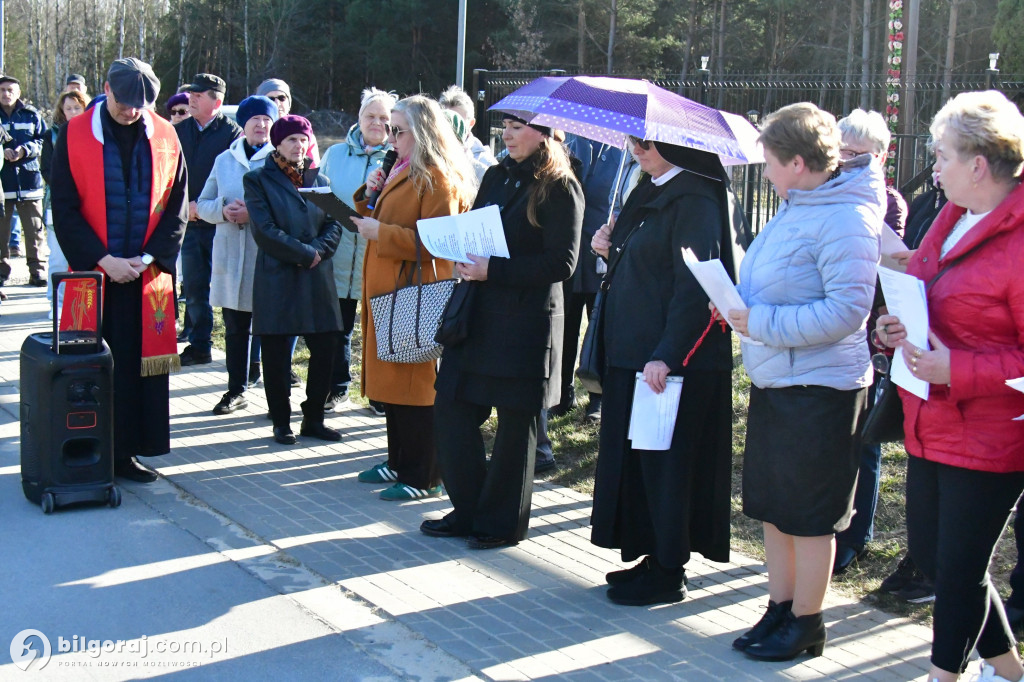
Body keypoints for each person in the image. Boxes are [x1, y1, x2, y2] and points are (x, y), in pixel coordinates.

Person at [875, 90, 1024, 682]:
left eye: (941, 156)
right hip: (930, 417)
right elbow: (923, 286)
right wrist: (895, 325)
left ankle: (945, 675)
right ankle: (1011, 672)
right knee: (942, 562)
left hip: (992, 431)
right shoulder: (952, 216)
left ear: (979, 165)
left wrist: (957, 370)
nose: (933, 168)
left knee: (959, 570)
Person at [726, 102, 884, 661]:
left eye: (768, 160)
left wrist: (759, 323)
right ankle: (780, 608)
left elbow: (846, 312)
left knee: (811, 515)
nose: (763, 170)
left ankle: (808, 623)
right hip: (779, 379)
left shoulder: (846, 217)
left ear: (796, 162)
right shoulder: (798, 205)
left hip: (821, 389)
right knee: (775, 507)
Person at [587, 139, 739, 606]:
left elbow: (695, 284)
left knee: (668, 468)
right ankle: (650, 555)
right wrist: (604, 249)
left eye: (648, 142)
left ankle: (670, 570)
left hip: (668, 360)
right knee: (640, 464)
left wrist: (667, 354)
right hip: (633, 352)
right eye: (633, 141)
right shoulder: (646, 189)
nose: (637, 149)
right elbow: (642, 267)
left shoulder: (695, 198)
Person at [422, 113, 582, 548]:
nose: (507, 134)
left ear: (545, 133)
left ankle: (500, 524)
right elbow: (477, 227)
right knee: (451, 407)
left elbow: (561, 264)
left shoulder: (561, 187)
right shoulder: (496, 175)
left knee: (515, 429)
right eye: (505, 127)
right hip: (478, 316)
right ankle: (469, 509)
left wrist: (495, 269)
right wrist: (460, 252)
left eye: (518, 127)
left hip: (524, 323)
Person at [50, 57, 188, 483]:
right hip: (94, 276)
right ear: (107, 88)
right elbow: (65, 209)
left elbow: (177, 206)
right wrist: (103, 260)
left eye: (142, 104)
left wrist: (146, 259)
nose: (133, 112)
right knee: (94, 368)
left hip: (147, 278)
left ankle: (130, 451)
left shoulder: (166, 136)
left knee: (137, 369)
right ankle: (89, 450)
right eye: (126, 102)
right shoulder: (73, 135)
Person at [351, 95, 475, 501]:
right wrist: (367, 192)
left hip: (417, 292)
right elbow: (375, 215)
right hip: (389, 286)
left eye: (398, 130)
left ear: (422, 132)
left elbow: (441, 242)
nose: (391, 137)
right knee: (392, 381)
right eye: (390, 129)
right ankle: (399, 460)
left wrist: (381, 234)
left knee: (415, 383)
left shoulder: (438, 176)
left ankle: (425, 475)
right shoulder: (399, 167)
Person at [832, 108, 908, 574]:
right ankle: (836, 524)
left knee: (866, 441)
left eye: (855, 154)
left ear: (879, 156)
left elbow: (889, 266)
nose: (844, 160)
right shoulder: (831, 193)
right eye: (840, 150)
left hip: (872, 337)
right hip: (839, 335)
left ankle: (857, 535)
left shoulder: (890, 202)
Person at [243, 115, 343, 445]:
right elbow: (265, 230)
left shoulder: (318, 178)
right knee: (275, 352)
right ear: (278, 144)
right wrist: (303, 253)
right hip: (279, 276)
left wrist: (317, 251)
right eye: (291, 140)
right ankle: (281, 422)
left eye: (303, 139)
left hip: (317, 278)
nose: (299, 146)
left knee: (327, 346)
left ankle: (314, 417)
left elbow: (335, 223)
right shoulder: (258, 180)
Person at [196, 95, 279, 416]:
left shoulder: (280, 159)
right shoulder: (224, 160)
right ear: (243, 125)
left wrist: (254, 215)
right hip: (231, 257)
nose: (261, 125)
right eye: (255, 119)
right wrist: (222, 210)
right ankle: (235, 390)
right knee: (234, 328)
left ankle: (276, 397)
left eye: (266, 120)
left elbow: (293, 208)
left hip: (268, 257)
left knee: (271, 329)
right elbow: (202, 203)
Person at [318, 87, 395, 413]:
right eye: (370, 116)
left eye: (384, 118)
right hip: (338, 256)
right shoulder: (335, 154)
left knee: (378, 330)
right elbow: (319, 197)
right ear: (359, 118)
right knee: (339, 327)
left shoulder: (399, 159)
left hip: (377, 257)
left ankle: (378, 394)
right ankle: (337, 388)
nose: (376, 123)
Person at [176, 72, 243, 367]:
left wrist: (204, 207)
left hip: (222, 224)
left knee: (228, 289)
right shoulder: (178, 131)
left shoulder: (233, 135)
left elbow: (236, 181)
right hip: (188, 223)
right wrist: (184, 207)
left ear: (217, 101)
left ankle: (236, 352)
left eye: (199, 95)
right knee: (193, 288)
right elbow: (170, 177)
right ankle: (200, 345)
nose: (191, 98)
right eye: (191, 93)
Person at [40, 89, 90, 316]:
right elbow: (47, 169)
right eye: (67, 108)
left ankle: (81, 303)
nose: (72, 112)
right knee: (58, 258)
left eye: (76, 108)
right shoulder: (52, 136)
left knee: (83, 257)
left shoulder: (93, 132)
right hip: (58, 204)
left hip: (87, 203)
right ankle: (56, 303)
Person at [0, 74, 48, 287]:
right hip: (2, 185)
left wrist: (24, 150)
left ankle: (37, 272)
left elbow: (43, 141)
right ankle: (1, 273)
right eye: (2, 90)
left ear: (19, 93)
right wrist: (3, 152)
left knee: (34, 231)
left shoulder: (31, 115)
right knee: (1, 234)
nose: (6, 94)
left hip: (29, 182)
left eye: (11, 90)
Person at [438, 84, 497, 180]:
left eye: (458, 120)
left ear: (471, 123)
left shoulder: (485, 162)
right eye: (447, 120)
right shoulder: (428, 153)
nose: (452, 126)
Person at [256, 78, 319, 166]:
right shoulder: (252, 132)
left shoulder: (303, 133)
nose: (277, 103)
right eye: (271, 99)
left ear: (289, 102)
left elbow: (312, 170)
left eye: (282, 98)